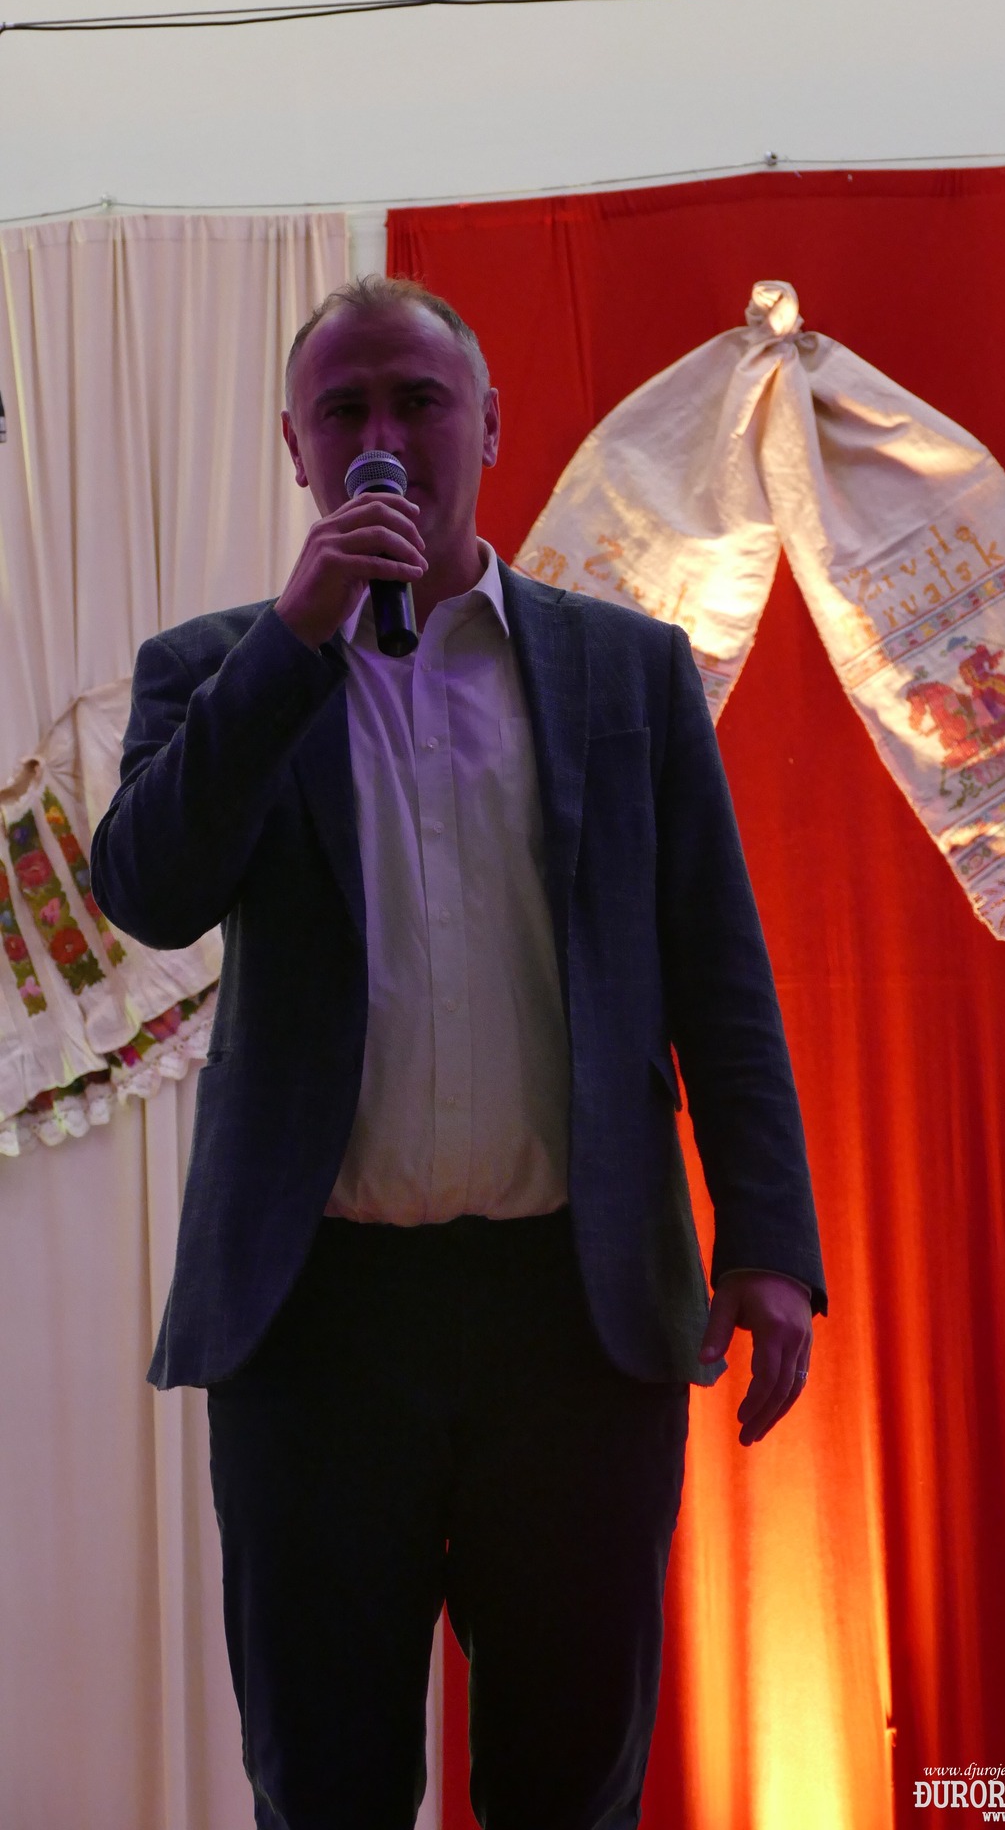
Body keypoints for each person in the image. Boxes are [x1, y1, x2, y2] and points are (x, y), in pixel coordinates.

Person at [91, 276, 826, 1830]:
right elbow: (149, 892)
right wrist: (294, 641)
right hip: (315, 1326)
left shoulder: (626, 673)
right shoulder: (212, 671)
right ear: (295, 447)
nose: (382, 437)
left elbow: (717, 970)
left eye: (417, 401)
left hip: (573, 1315)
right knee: (325, 1784)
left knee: (570, 1782)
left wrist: (766, 1240)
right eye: (344, 409)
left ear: (487, 426)